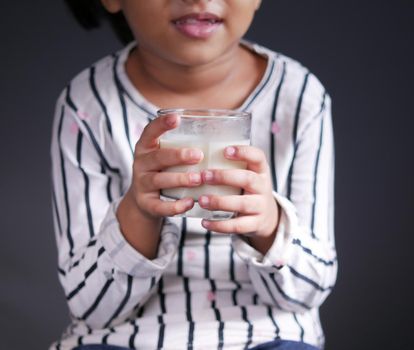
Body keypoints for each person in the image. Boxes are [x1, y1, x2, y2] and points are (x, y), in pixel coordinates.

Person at [51, 0, 337, 349]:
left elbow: (309, 292)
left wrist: (268, 225)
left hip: (266, 335)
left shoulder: (300, 97)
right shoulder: (87, 105)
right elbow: (90, 306)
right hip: (125, 339)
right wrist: (138, 213)